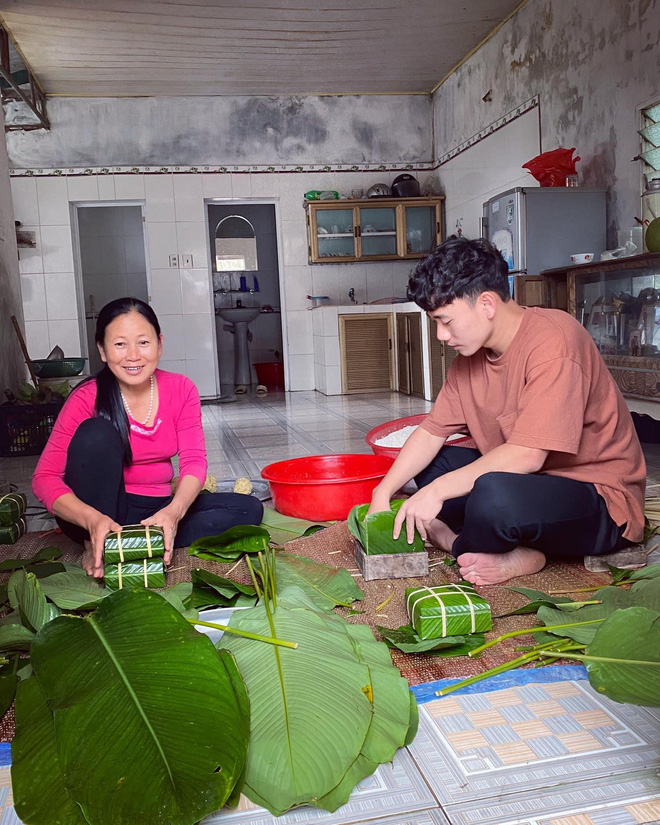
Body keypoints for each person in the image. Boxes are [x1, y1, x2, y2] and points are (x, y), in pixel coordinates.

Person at [368, 237, 646, 585]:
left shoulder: (555, 340)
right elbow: (430, 432)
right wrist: (383, 492)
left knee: (492, 496)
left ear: (486, 304)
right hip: (529, 484)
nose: (441, 335)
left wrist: (437, 492)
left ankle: (456, 541)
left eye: (446, 321)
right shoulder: (467, 362)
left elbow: (529, 456)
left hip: (597, 498)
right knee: (436, 465)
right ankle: (507, 543)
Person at [33, 297, 263, 578]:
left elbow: (193, 462)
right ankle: (97, 540)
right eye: (120, 344)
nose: (133, 355)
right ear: (102, 351)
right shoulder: (86, 397)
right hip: (97, 509)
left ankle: (141, 538)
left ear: (160, 344)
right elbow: (44, 478)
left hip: (156, 506)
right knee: (97, 433)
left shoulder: (181, 389)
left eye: (143, 342)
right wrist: (91, 521)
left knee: (247, 510)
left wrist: (174, 512)